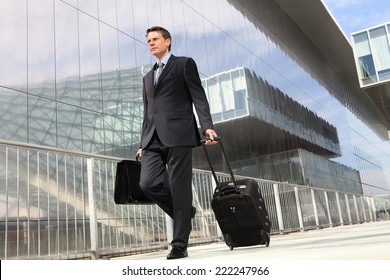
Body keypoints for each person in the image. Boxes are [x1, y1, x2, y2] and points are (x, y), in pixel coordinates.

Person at [136, 26, 218, 259]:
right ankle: (185, 212)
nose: (151, 43)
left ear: (168, 41)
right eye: (148, 40)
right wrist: (142, 142)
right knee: (147, 183)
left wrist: (207, 126)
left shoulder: (183, 64)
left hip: (179, 134)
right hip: (152, 137)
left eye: (155, 39)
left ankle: (179, 245)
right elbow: (147, 112)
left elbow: (198, 96)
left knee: (180, 188)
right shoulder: (147, 77)